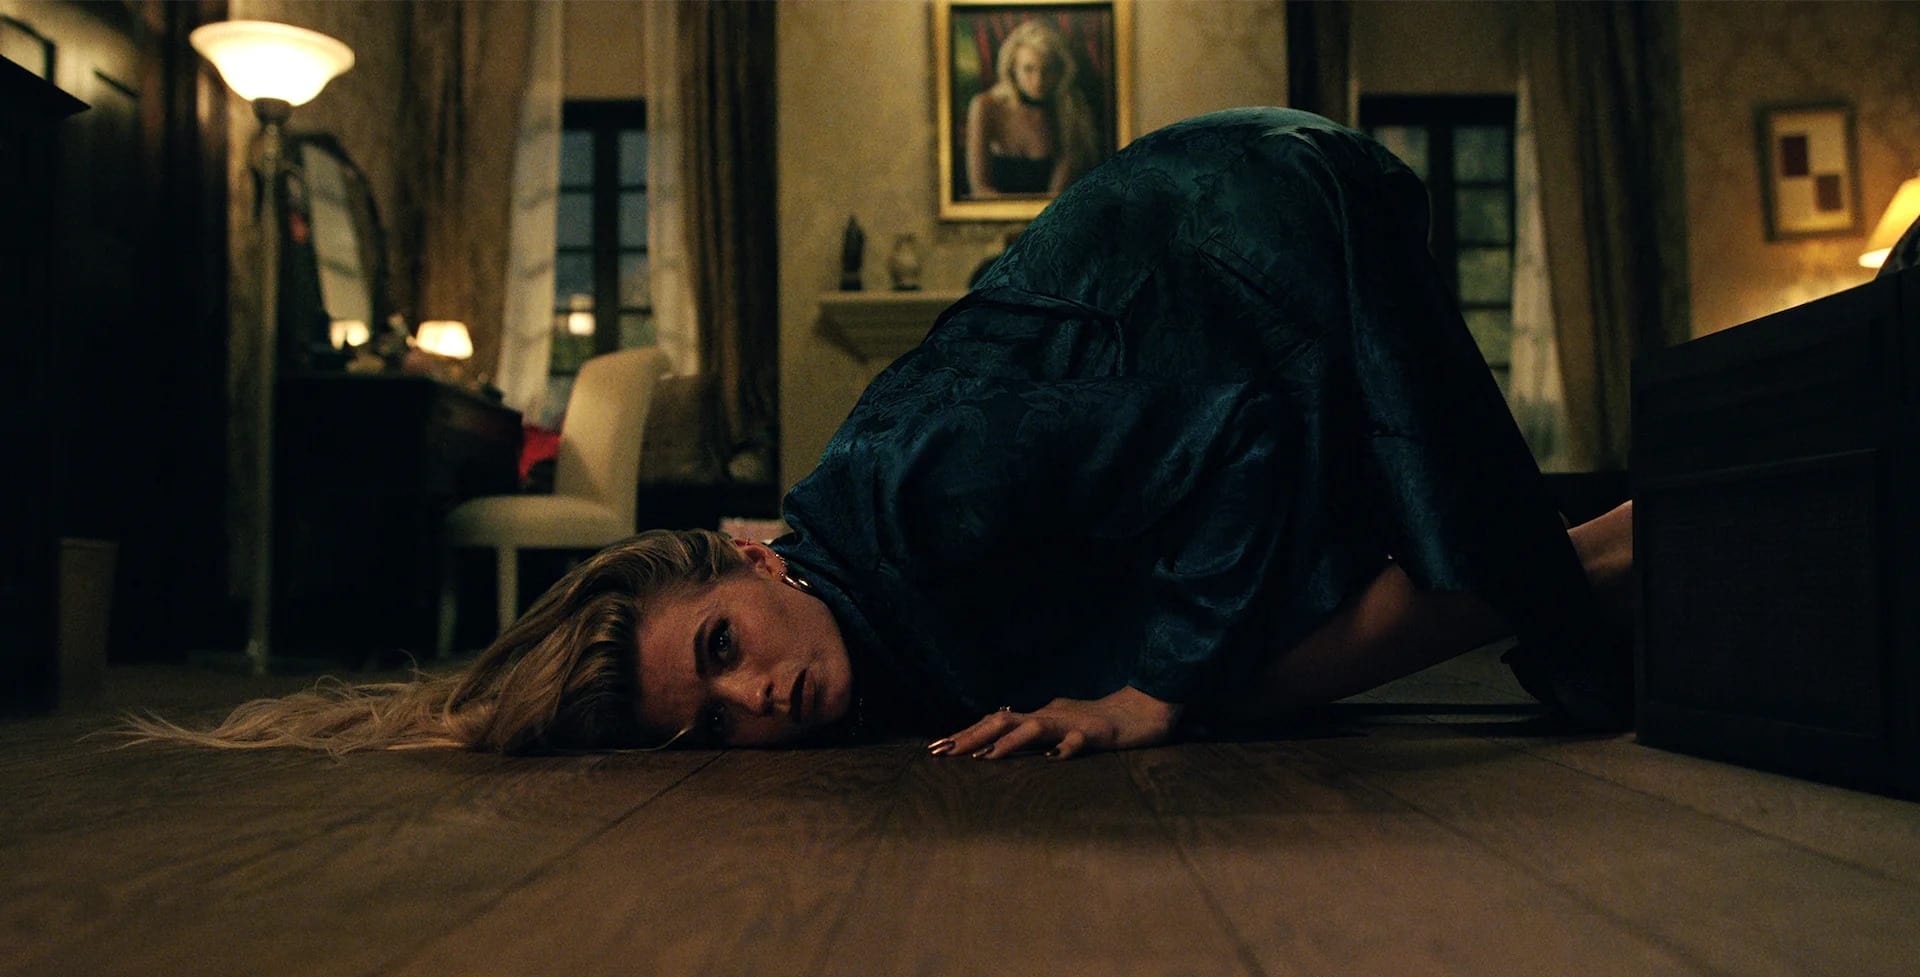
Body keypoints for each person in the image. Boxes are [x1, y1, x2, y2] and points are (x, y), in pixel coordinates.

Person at [125, 108, 1635, 759]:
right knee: (1181, 664)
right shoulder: (872, 611)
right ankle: (1609, 548)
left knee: (1215, 679)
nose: (759, 701)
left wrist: (1153, 694)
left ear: (751, 557)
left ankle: (1624, 546)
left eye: (723, 650)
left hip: (1259, 215)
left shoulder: (915, 491)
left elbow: (1234, 428)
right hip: (1202, 275)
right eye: (709, 729)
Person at [963, 19, 1100, 198]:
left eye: (1047, 69)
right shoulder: (985, 106)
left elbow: (1057, 197)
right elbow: (980, 188)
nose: (1038, 81)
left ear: (1059, 71)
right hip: (992, 212)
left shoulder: (1070, 109)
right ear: (1012, 68)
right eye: (1028, 69)